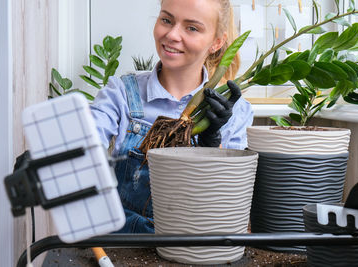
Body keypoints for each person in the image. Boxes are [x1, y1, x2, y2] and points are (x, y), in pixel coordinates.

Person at [90, 0, 254, 233]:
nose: (172, 35)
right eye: (166, 20)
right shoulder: (122, 93)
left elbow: (229, 203)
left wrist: (212, 145)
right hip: (123, 247)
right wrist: (54, 155)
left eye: (192, 28)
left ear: (217, 42)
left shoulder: (235, 111)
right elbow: (86, 141)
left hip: (196, 249)